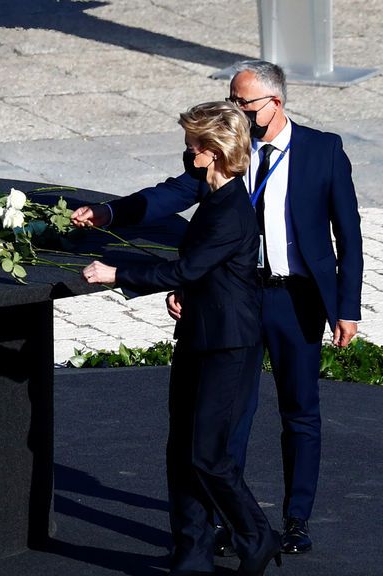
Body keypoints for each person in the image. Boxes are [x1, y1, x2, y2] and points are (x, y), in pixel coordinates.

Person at [71, 60, 363, 557]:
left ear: (276, 102)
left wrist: (346, 307)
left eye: (244, 103)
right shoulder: (226, 149)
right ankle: (228, 521)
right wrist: (111, 212)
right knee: (231, 417)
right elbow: (172, 193)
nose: (238, 112)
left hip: (297, 298)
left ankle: (296, 519)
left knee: (300, 411)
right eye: (233, 102)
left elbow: (348, 234)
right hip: (237, 300)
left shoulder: (322, 150)